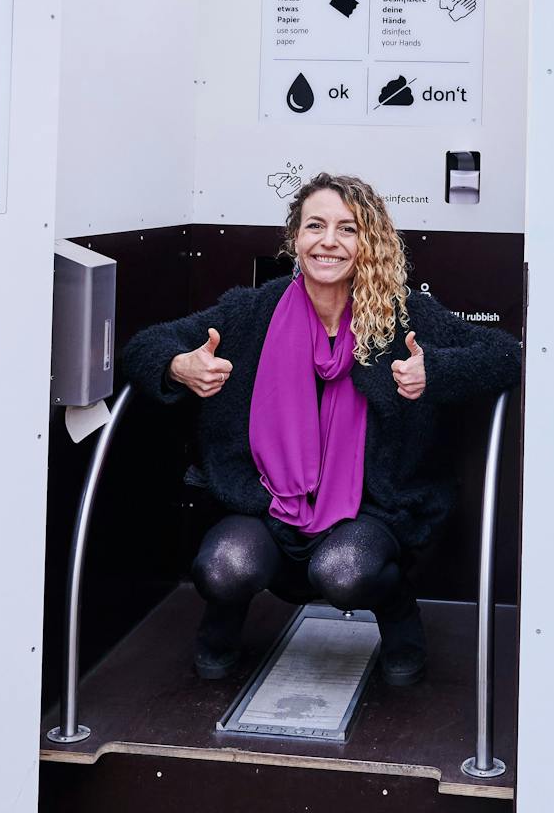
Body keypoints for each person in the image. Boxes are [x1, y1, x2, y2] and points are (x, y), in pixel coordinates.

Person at [121, 173, 520, 686]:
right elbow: (143, 346)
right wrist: (179, 366)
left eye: (347, 229)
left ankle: (398, 612)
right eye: (315, 226)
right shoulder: (252, 312)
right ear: (294, 240)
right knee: (225, 565)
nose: (328, 241)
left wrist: (436, 371)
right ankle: (222, 618)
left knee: (344, 571)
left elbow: (506, 354)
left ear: (369, 242)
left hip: (367, 510)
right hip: (265, 504)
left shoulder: (403, 316)